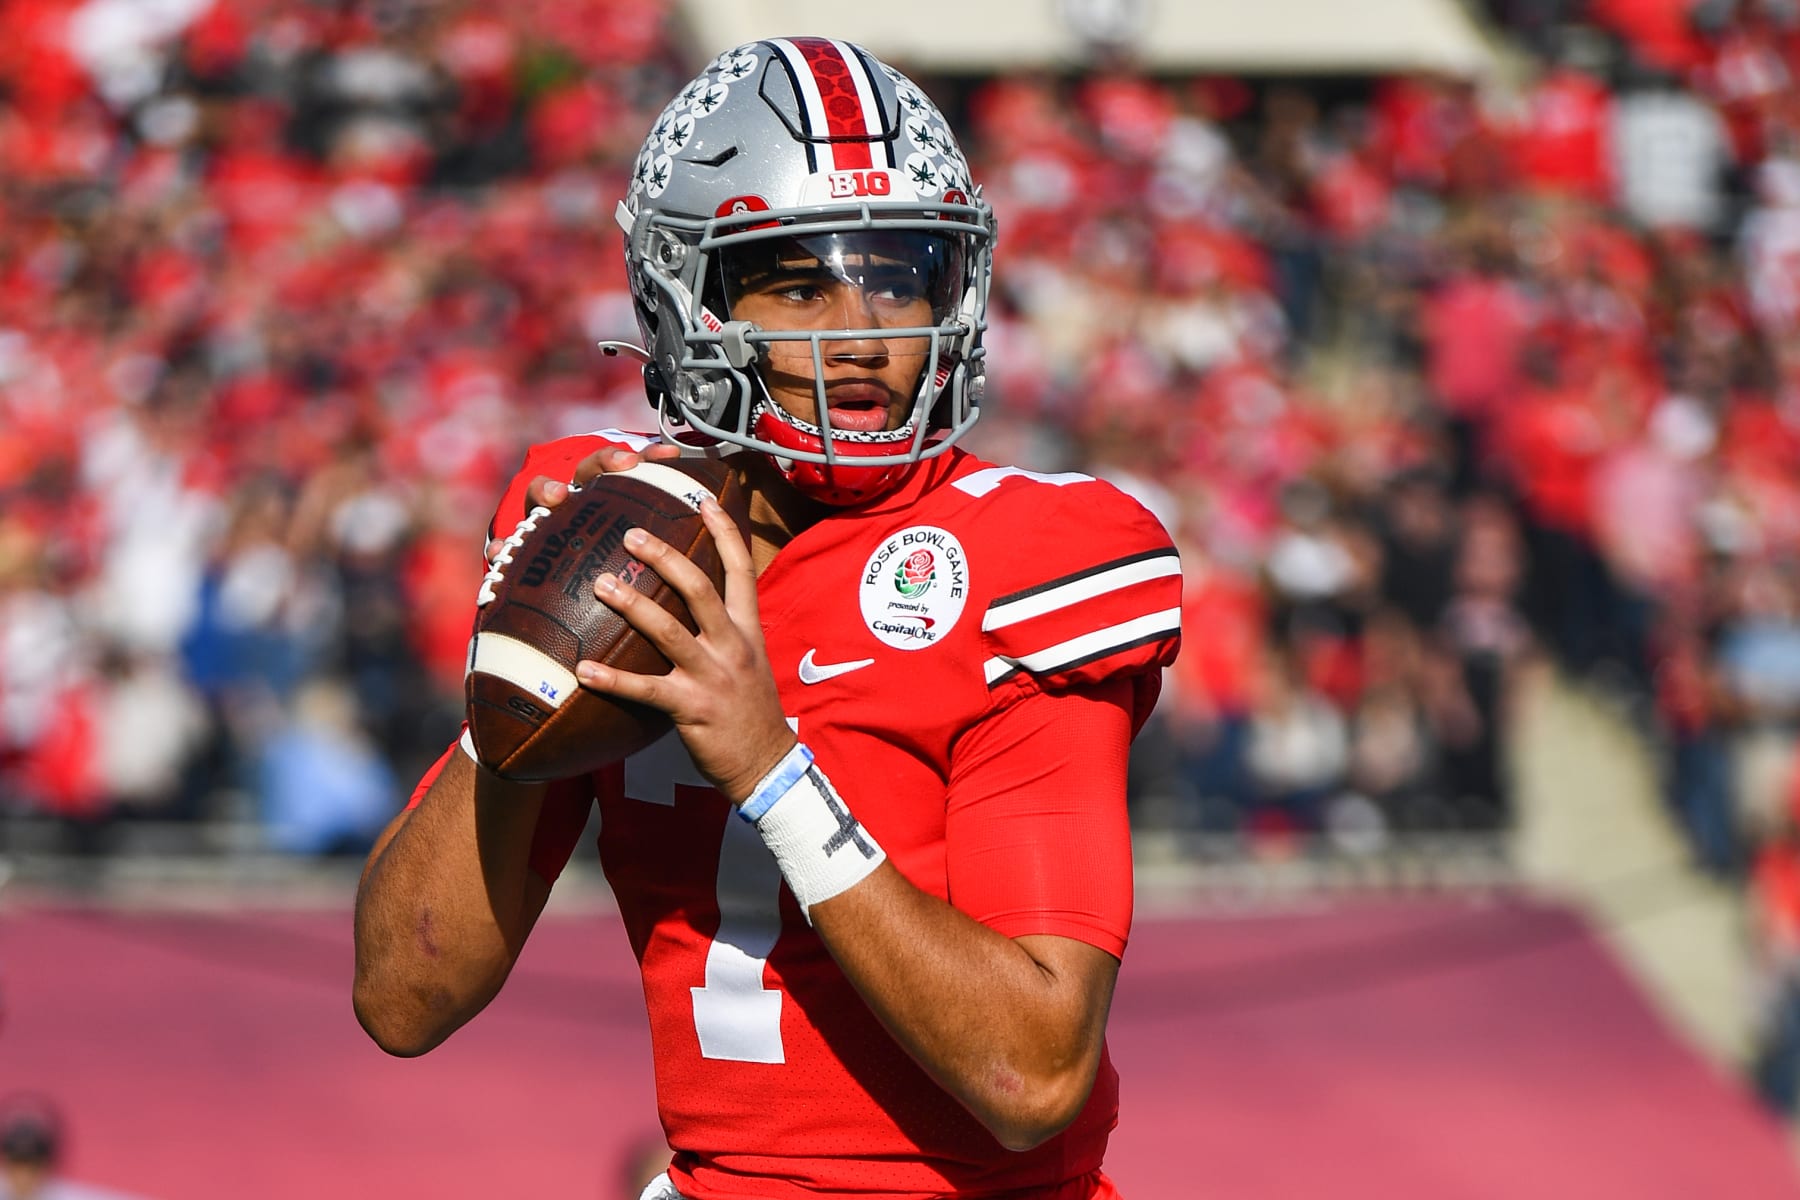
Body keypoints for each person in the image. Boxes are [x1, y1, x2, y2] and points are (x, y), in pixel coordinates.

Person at [352, 37, 1182, 1200]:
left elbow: (1032, 1071)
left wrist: (770, 765)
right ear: (683, 302)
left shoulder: (1032, 556)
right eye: (799, 282)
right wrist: (524, 687)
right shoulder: (621, 530)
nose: (864, 331)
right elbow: (403, 996)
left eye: (901, 274)